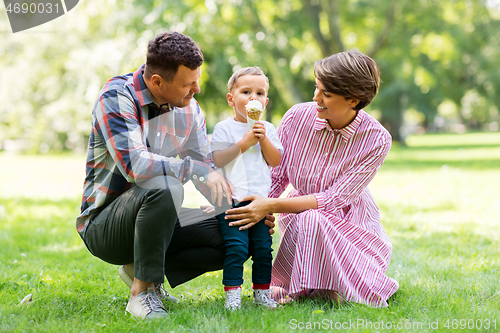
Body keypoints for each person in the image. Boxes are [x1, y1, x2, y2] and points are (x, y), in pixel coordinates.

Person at [75, 31, 275, 319]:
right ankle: (141, 294)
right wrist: (194, 169)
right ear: (158, 82)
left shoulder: (189, 108)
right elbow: (135, 165)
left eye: (197, 81)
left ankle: (139, 271)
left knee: (236, 233)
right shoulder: (117, 97)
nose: (197, 90)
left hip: (157, 216)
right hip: (105, 224)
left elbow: (205, 167)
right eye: (188, 84)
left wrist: (246, 210)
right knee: (165, 185)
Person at [224, 50, 399, 308]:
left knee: (312, 217)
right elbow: (277, 176)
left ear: (353, 99)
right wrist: (253, 206)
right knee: (307, 218)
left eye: (326, 94)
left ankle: (329, 286)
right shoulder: (296, 117)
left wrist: (270, 206)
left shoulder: (377, 139)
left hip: (350, 223)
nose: (315, 98)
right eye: (317, 88)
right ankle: (319, 286)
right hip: (299, 220)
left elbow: (333, 199)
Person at [210, 67, 283, 310]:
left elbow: (275, 161)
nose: (254, 98)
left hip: (259, 202)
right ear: (231, 99)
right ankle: (233, 294)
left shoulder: (269, 129)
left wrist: (263, 139)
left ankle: (262, 292)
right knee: (237, 247)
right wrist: (244, 142)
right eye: (246, 92)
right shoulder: (224, 128)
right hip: (231, 201)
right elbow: (219, 159)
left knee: (263, 249)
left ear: (266, 101)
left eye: (260, 93)